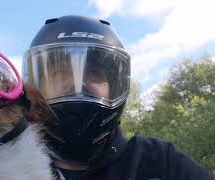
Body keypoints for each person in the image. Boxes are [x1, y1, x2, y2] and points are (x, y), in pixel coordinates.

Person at [22, 15, 215, 180]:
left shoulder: (160, 162)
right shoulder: (11, 166)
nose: (78, 85)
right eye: (59, 74)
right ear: (37, 87)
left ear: (115, 85)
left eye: (94, 73)